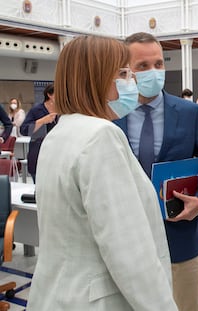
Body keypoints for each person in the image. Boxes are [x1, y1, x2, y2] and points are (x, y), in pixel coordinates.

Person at [26, 35, 178, 311]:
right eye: (122, 73)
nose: (130, 82)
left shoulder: (60, 132)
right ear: (96, 78)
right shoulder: (101, 135)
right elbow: (128, 251)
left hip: (59, 293)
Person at [113, 32, 198, 311]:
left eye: (159, 64)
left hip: (180, 240)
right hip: (126, 242)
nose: (154, 72)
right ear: (125, 71)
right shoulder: (112, 116)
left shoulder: (188, 112)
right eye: (143, 66)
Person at [20, 84, 57, 183]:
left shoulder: (64, 111)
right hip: (38, 155)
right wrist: (42, 121)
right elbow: (24, 130)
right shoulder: (36, 110)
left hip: (57, 156)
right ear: (49, 95)